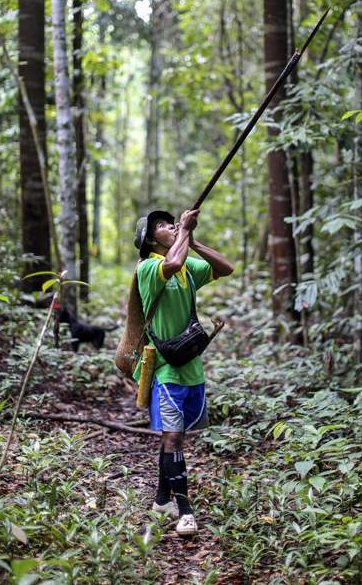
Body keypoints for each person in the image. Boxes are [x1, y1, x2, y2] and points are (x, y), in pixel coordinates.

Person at [132, 208, 233, 536]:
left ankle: (162, 499)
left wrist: (192, 237)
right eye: (161, 225)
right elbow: (172, 262)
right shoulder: (148, 268)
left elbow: (225, 268)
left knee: (175, 437)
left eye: (170, 221)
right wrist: (184, 233)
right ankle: (185, 511)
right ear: (149, 240)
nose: (170, 225)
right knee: (173, 437)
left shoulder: (187, 265)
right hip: (165, 368)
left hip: (191, 365)